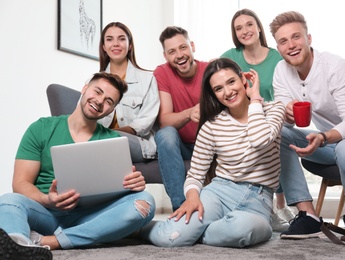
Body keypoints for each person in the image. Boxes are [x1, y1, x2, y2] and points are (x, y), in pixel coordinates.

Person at [0, 72, 156, 259]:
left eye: (109, 101)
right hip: (45, 214)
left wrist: (133, 185)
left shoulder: (114, 141)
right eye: (97, 92)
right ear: (85, 88)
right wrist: (47, 200)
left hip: (91, 218)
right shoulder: (41, 128)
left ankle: (49, 242)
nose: (99, 101)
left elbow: (120, 190)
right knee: (9, 200)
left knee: (145, 202)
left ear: (111, 110)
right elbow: (20, 183)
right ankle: (17, 245)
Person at [269, 11, 345, 238]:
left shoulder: (335, 66)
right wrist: (286, 113)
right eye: (283, 41)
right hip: (332, 143)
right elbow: (283, 109)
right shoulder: (281, 71)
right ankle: (308, 215)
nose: (291, 45)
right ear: (278, 48)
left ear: (309, 39)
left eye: (296, 37)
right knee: (278, 134)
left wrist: (323, 138)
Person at [141, 58, 285, 248]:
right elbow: (195, 174)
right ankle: (141, 228)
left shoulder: (274, 109)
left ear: (244, 80)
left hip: (259, 200)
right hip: (219, 192)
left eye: (231, 82)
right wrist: (192, 197)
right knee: (169, 238)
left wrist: (255, 98)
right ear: (214, 94)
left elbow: (259, 139)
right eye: (218, 89)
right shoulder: (211, 126)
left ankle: (193, 233)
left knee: (243, 230)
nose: (228, 92)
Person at [221, 8, 294, 232]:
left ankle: (280, 204)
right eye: (239, 28)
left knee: (276, 138)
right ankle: (261, 205)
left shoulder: (277, 57)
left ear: (259, 27)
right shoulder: (229, 58)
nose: (245, 31)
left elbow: (288, 91)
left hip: (273, 119)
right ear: (235, 33)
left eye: (249, 24)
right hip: (242, 121)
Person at [154, 26, 209, 211]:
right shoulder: (162, 72)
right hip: (183, 146)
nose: (179, 55)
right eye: (172, 51)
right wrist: (189, 113)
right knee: (165, 134)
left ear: (192, 46)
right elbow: (164, 120)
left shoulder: (209, 70)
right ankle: (180, 207)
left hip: (209, 145)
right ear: (165, 56)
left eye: (183, 47)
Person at [98, 22, 160, 163]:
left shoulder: (147, 79)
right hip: (98, 140)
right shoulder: (93, 81)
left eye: (121, 39)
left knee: (109, 143)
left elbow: (145, 121)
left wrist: (111, 134)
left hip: (135, 141)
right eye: (109, 39)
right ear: (103, 47)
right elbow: (83, 116)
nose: (115, 44)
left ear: (130, 45)